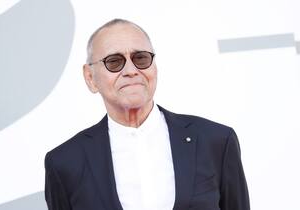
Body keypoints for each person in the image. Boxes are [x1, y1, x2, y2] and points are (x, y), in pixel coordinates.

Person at [44, 18, 250, 210]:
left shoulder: (215, 141)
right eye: (114, 62)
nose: (131, 70)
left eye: (140, 58)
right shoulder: (64, 163)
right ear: (90, 77)